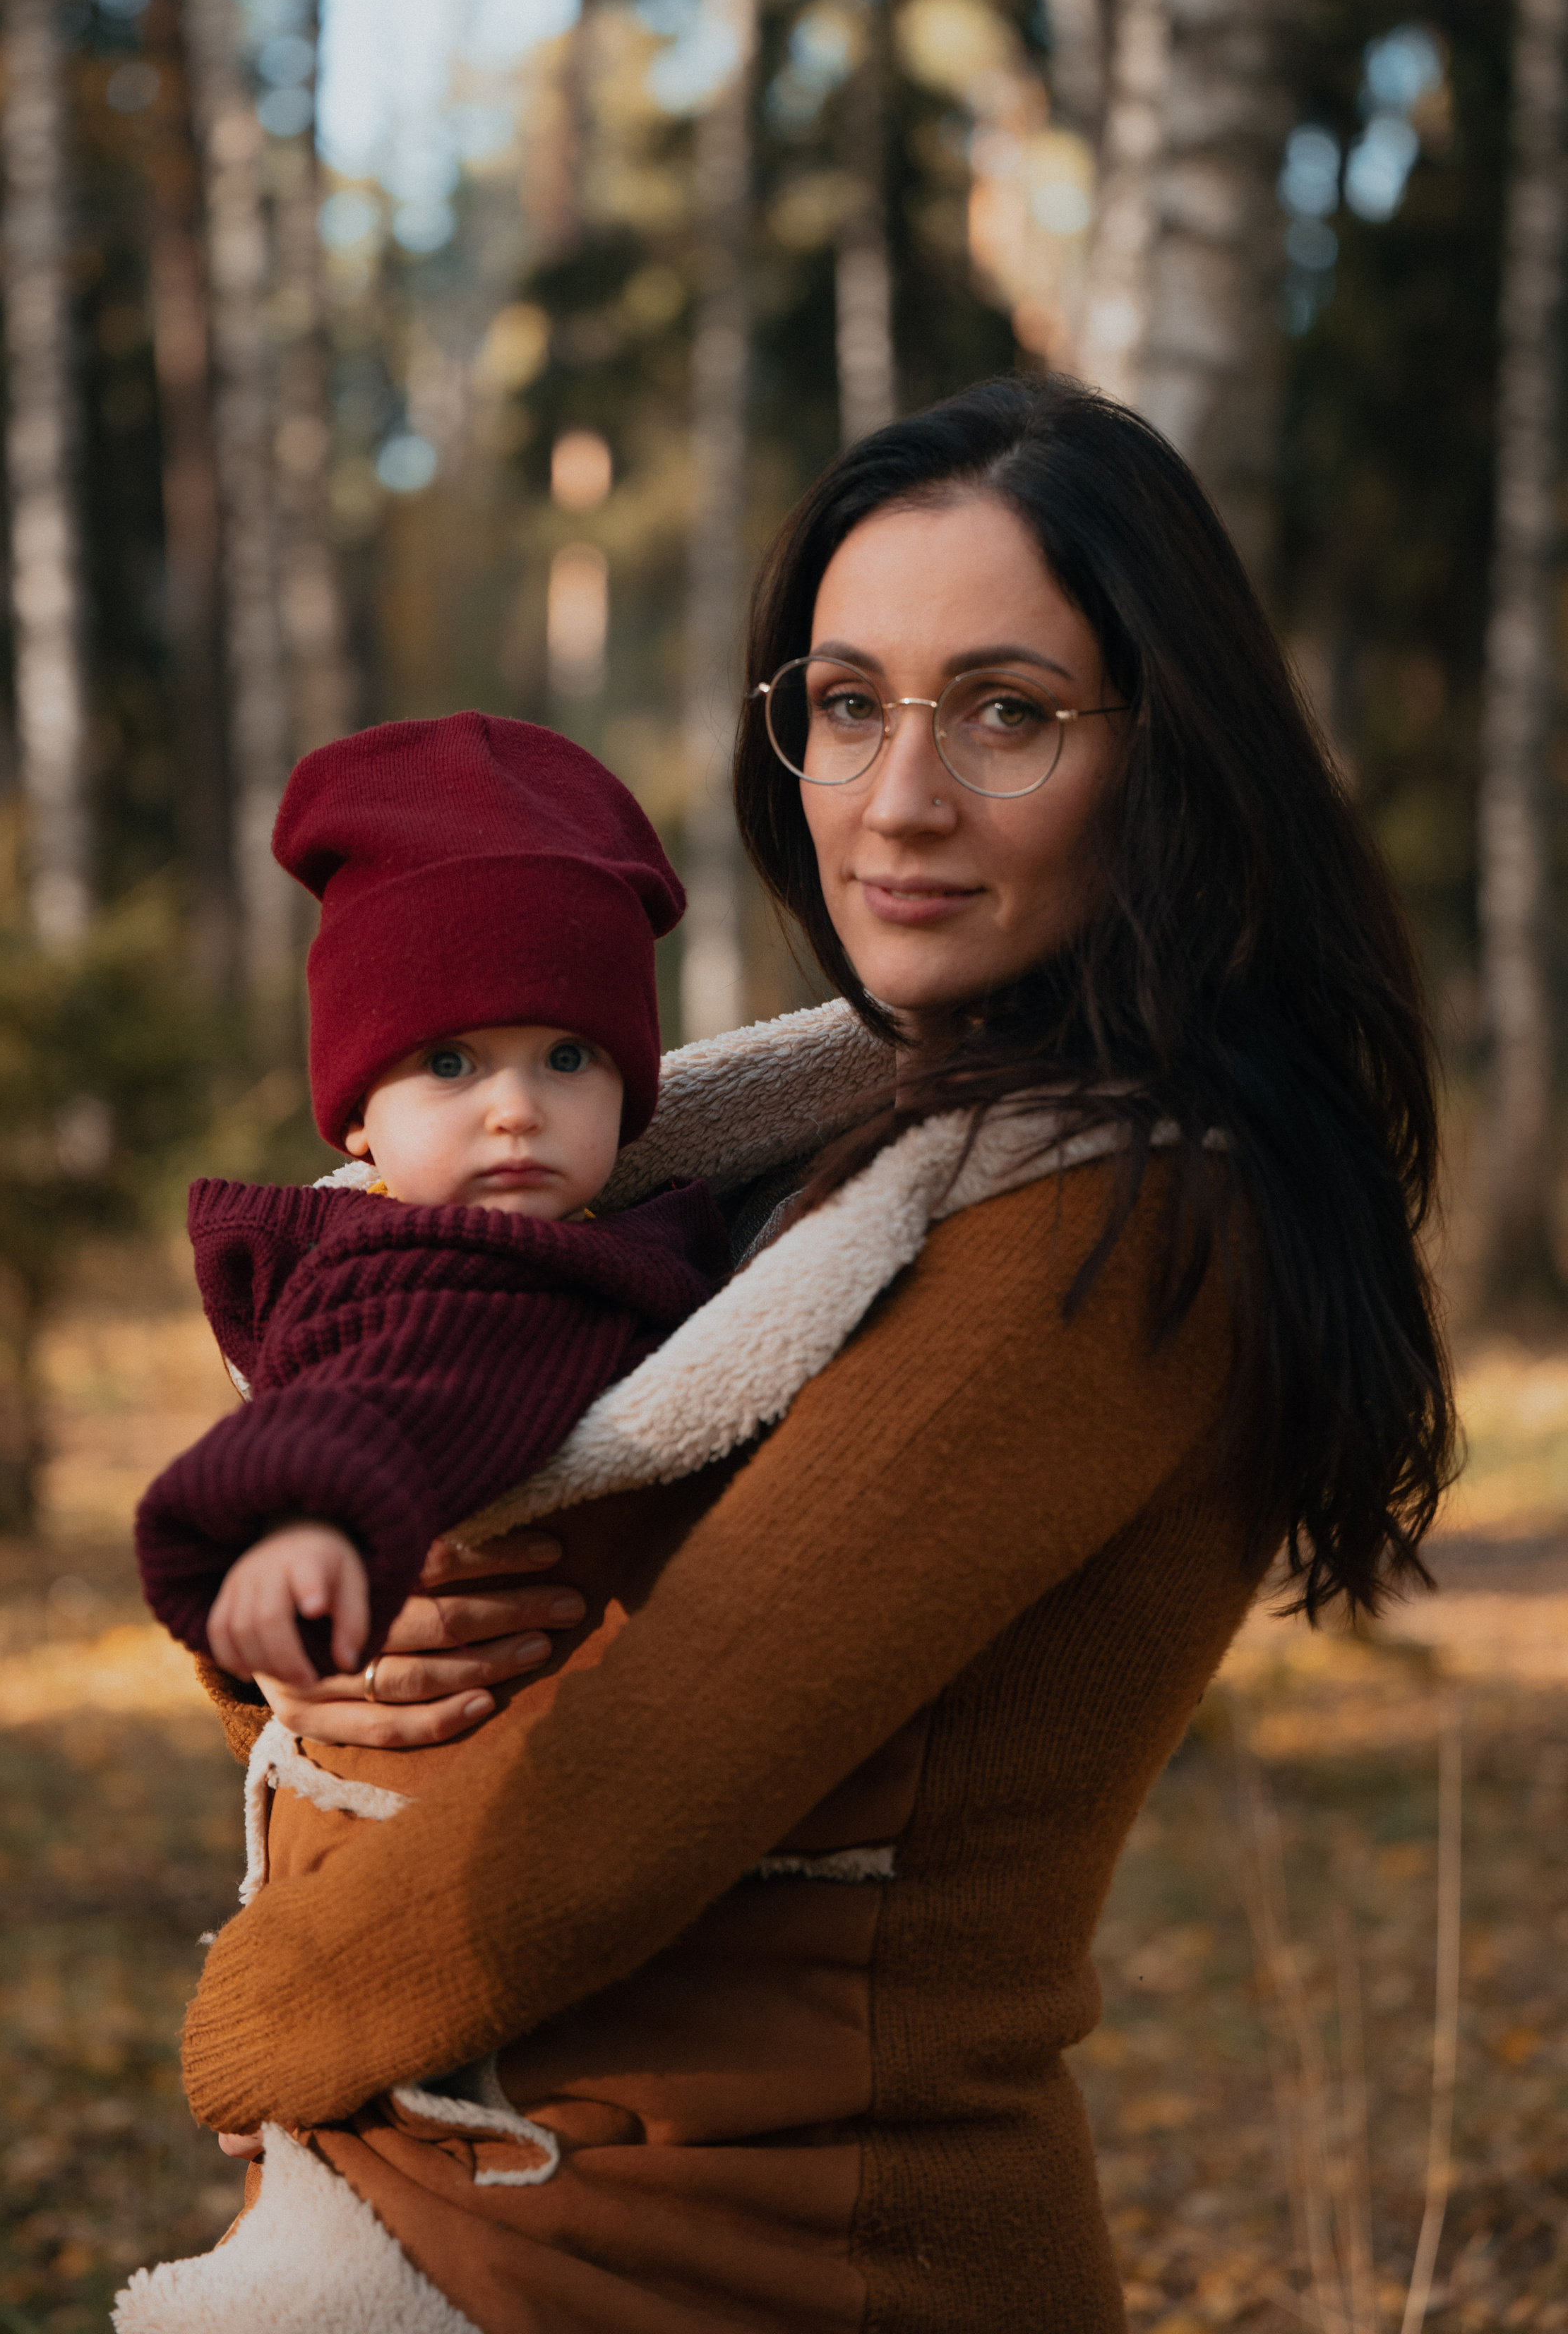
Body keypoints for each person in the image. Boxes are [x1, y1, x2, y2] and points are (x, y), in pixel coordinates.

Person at [116, 376, 1456, 2334]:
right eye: (847, 704)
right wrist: (340, 1665)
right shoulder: (813, 1146)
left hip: (767, 2264)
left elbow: (634, 1797)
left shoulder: (1121, 1214)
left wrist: (251, 2035)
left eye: (1008, 713)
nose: (899, 800)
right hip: (518, 2216)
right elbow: (497, 1576)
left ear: (1165, 759)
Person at [134, 712, 729, 1690]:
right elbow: (385, 1388)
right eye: (450, 1063)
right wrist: (305, 1520)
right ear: (359, 1115)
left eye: (568, 1057)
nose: (517, 1111)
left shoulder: (655, 1231)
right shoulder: (410, 1271)